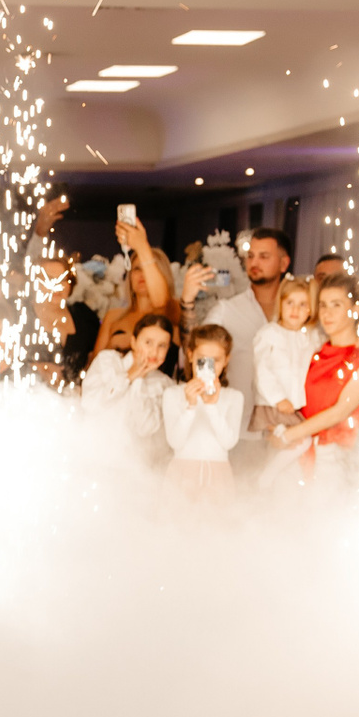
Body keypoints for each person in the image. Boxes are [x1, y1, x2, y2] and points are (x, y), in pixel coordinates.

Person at [200, 226, 296, 469]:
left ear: (284, 263)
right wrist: (210, 400)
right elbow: (199, 355)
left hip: (292, 431)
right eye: (250, 256)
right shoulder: (227, 310)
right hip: (240, 431)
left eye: (264, 256)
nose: (254, 262)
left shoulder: (301, 311)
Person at [270, 272, 359, 486]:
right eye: (323, 305)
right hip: (296, 450)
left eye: (336, 305)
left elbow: (340, 411)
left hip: (333, 456)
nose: (327, 313)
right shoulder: (312, 350)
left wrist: (288, 435)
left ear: (355, 310)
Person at [162, 324, 244, 505]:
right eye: (202, 360)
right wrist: (190, 407)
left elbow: (228, 442)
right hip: (181, 474)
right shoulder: (173, 394)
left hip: (218, 475)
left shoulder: (234, 397)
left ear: (226, 360)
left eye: (216, 360)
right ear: (190, 355)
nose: (209, 367)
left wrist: (211, 406)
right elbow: (175, 442)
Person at [79, 312, 172, 463]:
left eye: (162, 346)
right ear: (133, 342)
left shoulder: (164, 384)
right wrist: (129, 375)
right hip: (94, 457)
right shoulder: (108, 361)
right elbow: (90, 403)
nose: (154, 352)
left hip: (133, 466)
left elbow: (145, 428)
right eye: (148, 342)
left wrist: (139, 380)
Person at [251, 278, 318, 486]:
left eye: (302, 304)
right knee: (301, 440)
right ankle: (265, 477)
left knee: (292, 445)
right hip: (274, 405)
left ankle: (271, 480)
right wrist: (278, 398)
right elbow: (262, 370)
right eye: (290, 303)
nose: (295, 310)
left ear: (310, 310)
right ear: (280, 304)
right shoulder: (270, 333)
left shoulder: (308, 337)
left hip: (294, 405)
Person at [89, 216, 177, 366]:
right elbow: (94, 367)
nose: (142, 275)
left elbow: (161, 301)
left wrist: (141, 246)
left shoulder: (172, 312)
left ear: (163, 276)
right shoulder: (113, 316)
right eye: (137, 269)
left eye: (148, 269)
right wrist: (113, 345)